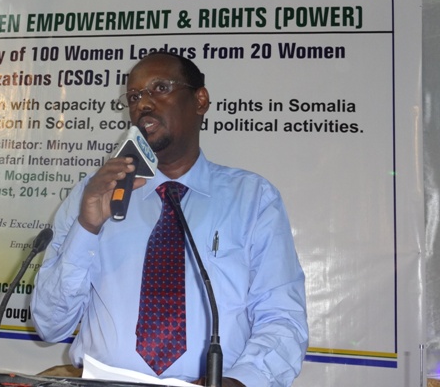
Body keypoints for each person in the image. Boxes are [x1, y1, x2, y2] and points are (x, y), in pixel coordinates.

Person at [31, 52, 308, 387]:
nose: (143, 104)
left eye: (160, 88)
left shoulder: (253, 199)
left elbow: (282, 319)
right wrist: (87, 228)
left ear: (200, 100)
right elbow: (50, 324)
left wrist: (238, 381)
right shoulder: (95, 194)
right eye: (134, 97)